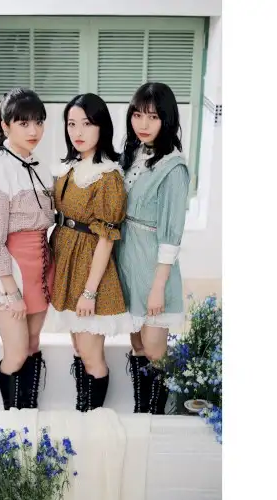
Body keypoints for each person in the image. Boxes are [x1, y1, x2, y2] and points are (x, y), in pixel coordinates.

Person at [48, 93, 133, 412]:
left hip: (88, 268)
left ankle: (92, 420)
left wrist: (89, 291)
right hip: (67, 264)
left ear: (102, 127)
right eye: (71, 124)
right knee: (78, 348)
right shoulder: (70, 167)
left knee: (91, 355)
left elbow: (107, 239)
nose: (78, 131)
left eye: (86, 123)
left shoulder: (108, 176)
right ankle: (82, 411)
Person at [0, 88, 54, 410]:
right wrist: (11, 291)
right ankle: (11, 419)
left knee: (32, 344)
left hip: (39, 269)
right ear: (5, 126)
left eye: (39, 122)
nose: (33, 131)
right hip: (11, 273)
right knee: (16, 352)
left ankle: (29, 414)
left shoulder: (37, 165)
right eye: (23, 123)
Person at [116, 82, 190, 414]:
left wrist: (158, 286)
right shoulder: (133, 154)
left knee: (155, 347)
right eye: (137, 115)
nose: (143, 124)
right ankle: (140, 411)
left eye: (153, 117)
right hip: (127, 261)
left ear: (167, 120)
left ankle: (159, 417)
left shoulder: (173, 167)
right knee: (136, 342)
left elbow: (172, 235)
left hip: (152, 266)